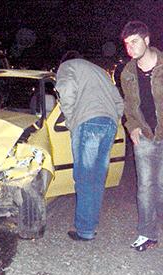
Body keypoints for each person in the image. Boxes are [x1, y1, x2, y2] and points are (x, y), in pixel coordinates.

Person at [56, 50, 124, 241]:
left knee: (85, 178)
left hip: (88, 122)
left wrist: (71, 120)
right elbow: (119, 101)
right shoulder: (100, 71)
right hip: (109, 123)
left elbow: (67, 89)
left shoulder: (67, 67)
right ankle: (90, 226)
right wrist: (113, 119)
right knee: (97, 179)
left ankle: (85, 230)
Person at [120, 21, 163, 251]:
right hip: (145, 136)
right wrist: (132, 125)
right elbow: (129, 105)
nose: (130, 48)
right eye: (127, 44)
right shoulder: (127, 72)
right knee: (145, 186)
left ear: (147, 40)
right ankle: (148, 234)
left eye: (134, 42)